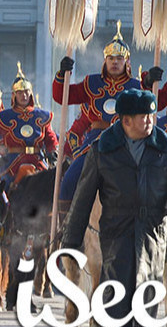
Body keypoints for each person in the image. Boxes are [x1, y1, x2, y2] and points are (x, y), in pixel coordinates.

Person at [62, 88, 167, 327]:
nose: (149, 121)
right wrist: (71, 240)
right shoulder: (102, 150)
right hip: (117, 227)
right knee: (118, 288)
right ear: (125, 120)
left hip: (152, 230)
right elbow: (84, 196)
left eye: (151, 115)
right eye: (142, 116)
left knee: (147, 291)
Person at [53, 22, 141, 217]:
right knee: (68, 182)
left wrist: (152, 85)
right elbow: (63, 97)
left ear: (127, 61)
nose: (115, 62)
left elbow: (152, 111)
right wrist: (61, 75)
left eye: (119, 58)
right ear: (105, 61)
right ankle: (66, 230)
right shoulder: (91, 83)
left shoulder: (137, 86)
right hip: (96, 142)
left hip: (128, 142)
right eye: (111, 58)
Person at [0, 64, 56, 186]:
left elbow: (50, 138)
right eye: (20, 93)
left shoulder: (42, 115)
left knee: (54, 185)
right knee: (2, 187)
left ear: (31, 93)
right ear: (14, 95)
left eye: (26, 92)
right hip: (13, 160)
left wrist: (52, 151)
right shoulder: (4, 116)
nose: (23, 96)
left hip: (37, 159)